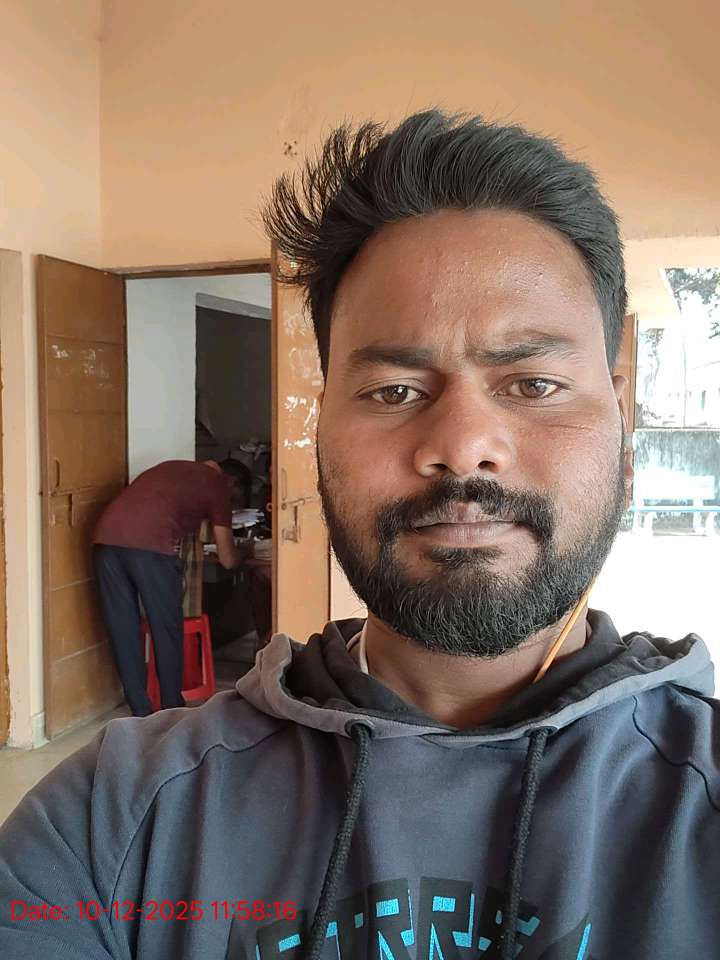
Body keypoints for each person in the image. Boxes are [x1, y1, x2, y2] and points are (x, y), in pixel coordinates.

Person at [0, 111, 718, 959]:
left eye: (532, 383)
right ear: (320, 435)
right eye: (393, 392)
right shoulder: (117, 819)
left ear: (624, 422)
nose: (462, 446)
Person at [93, 459, 241, 715]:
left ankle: (141, 711)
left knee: (122, 627)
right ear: (231, 481)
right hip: (150, 549)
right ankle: (172, 707)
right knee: (166, 626)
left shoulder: (172, 467)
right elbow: (227, 559)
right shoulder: (217, 485)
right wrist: (243, 553)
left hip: (105, 540)